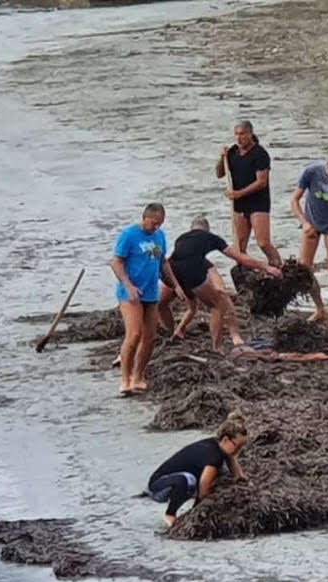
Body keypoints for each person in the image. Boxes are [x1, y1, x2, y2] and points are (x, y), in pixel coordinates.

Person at [158, 216, 280, 352]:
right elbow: (240, 258)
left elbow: (174, 257)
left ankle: (171, 333)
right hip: (190, 271)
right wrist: (266, 267)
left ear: (191, 229)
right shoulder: (211, 238)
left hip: (171, 270)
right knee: (216, 307)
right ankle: (217, 347)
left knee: (162, 304)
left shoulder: (182, 238)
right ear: (207, 230)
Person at [110, 203, 179, 397]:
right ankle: (124, 380)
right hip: (130, 293)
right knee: (134, 335)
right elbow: (116, 262)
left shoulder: (159, 236)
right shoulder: (129, 235)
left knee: (150, 337)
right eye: (153, 223)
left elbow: (162, 262)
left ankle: (138, 377)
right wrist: (128, 284)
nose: (156, 227)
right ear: (145, 217)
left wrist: (175, 285)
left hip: (150, 292)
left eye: (160, 224)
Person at [147, 412, 249, 528]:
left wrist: (242, 480)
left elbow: (236, 471)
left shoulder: (219, 445)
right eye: (238, 447)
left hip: (177, 481)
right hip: (158, 486)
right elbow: (203, 488)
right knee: (188, 480)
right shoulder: (214, 456)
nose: (239, 450)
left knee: (223, 473)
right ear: (226, 440)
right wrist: (197, 512)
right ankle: (170, 514)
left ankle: (183, 497)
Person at [290, 151, 328, 327]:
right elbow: (294, 200)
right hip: (312, 222)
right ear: (327, 168)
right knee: (305, 268)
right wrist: (304, 222)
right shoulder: (312, 172)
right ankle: (319, 308)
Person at [215, 120, 281, 265]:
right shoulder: (232, 152)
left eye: (243, 134)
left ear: (250, 134)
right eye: (236, 134)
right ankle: (246, 272)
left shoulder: (260, 154)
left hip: (258, 203)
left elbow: (261, 181)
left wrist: (239, 193)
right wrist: (222, 158)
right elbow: (220, 174)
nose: (239, 138)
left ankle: (277, 266)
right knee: (239, 246)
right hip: (239, 205)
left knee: (263, 242)